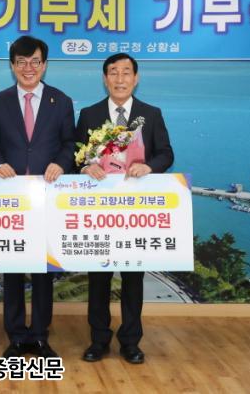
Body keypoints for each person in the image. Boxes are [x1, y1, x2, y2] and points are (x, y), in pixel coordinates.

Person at [76, 53, 174, 364]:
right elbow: (77, 155)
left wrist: (149, 166)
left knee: (133, 278)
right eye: (113, 73)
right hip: (100, 211)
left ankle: (131, 342)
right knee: (98, 278)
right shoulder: (89, 114)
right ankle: (99, 340)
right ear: (104, 79)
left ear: (136, 78)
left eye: (126, 72)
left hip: (135, 211)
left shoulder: (151, 114)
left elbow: (166, 154)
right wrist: (85, 167)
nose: (120, 79)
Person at [0, 35, 75, 358]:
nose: (28, 68)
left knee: (42, 271)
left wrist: (60, 163)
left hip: (47, 197)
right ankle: (15, 335)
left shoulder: (61, 101)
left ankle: (39, 335)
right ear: (12, 66)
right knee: (12, 267)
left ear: (45, 65)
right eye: (21, 62)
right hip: (11, 198)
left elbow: (70, 144)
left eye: (35, 61)